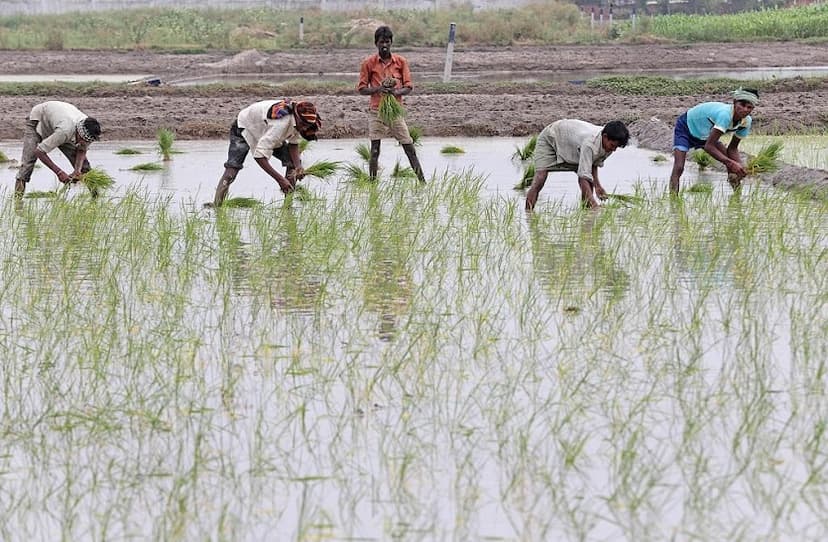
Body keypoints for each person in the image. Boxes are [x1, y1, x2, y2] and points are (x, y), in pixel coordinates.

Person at [212, 99, 322, 207]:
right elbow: (259, 156)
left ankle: (288, 206)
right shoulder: (280, 124)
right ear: (297, 117)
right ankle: (217, 205)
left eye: (307, 126)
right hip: (244, 126)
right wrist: (280, 180)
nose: (305, 128)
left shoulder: (300, 123)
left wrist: (298, 167)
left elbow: (293, 144)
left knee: (292, 162)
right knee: (232, 169)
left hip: (265, 129)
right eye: (303, 124)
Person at [357, 25, 425, 183]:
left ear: (391, 42)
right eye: (381, 42)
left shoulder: (400, 62)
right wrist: (379, 89)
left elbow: (408, 87)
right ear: (376, 43)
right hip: (376, 111)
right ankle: (373, 185)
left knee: (409, 147)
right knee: (374, 151)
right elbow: (361, 89)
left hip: (395, 111)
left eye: (387, 42)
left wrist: (395, 92)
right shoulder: (368, 63)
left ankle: (422, 182)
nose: (384, 45)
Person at [525, 120, 630, 211]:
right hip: (552, 136)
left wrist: (598, 186)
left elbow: (593, 163)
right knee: (540, 178)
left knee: (589, 183)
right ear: (605, 137)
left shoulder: (609, 144)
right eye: (612, 146)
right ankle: (528, 214)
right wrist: (595, 205)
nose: (613, 150)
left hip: (572, 146)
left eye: (616, 147)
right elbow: (583, 177)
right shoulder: (590, 143)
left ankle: (586, 216)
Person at [669, 87, 759, 193]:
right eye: (742, 105)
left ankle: (737, 195)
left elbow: (733, 148)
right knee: (679, 167)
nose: (745, 110)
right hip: (686, 128)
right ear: (734, 102)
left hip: (706, 135)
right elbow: (709, 146)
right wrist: (730, 163)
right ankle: (674, 201)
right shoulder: (725, 115)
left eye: (749, 107)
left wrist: (739, 165)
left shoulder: (746, 122)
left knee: (733, 163)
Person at [14, 100, 102, 198]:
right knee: (27, 166)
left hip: (59, 122)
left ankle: (96, 199)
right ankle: (17, 202)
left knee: (85, 167)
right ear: (78, 133)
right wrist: (59, 172)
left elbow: (81, 149)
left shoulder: (90, 132)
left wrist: (77, 171)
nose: (83, 143)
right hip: (38, 119)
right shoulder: (65, 131)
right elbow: (39, 151)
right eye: (81, 140)